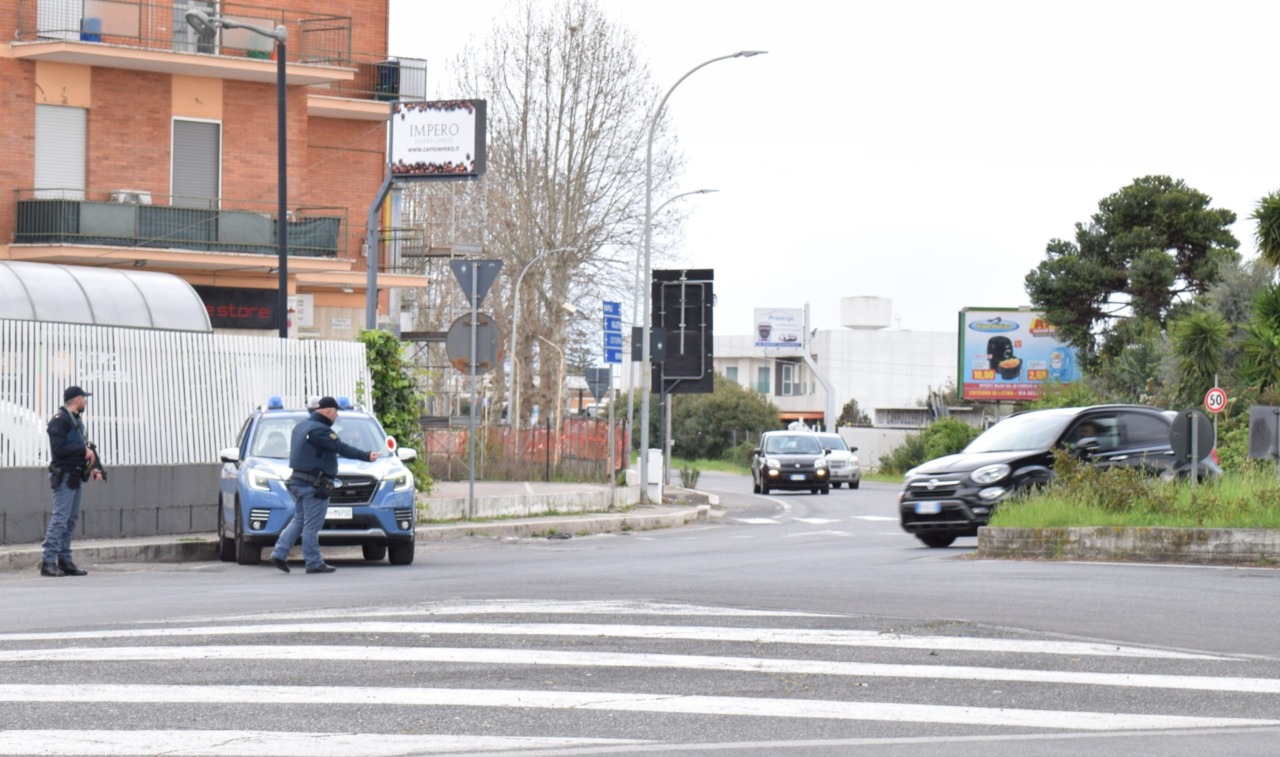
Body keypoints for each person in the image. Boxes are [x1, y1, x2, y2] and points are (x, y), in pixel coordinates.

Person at [269, 397, 378, 574]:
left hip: (298, 481)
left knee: (299, 519)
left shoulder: (302, 426)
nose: (337, 416)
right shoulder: (321, 430)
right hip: (313, 485)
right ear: (328, 411)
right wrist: (367, 456)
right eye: (336, 412)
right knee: (312, 524)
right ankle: (313, 562)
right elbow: (341, 448)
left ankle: (279, 553)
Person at [42, 386, 104, 577]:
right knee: (60, 519)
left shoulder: (76, 420)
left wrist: (94, 468)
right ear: (77, 400)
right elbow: (59, 451)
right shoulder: (59, 421)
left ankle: (65, 560)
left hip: (76, 475)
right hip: (65, 476)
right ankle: (48, 562)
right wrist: (82, 452)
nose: (85, 402)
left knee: (71, 519)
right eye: (84, 399)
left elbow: (82, 448)